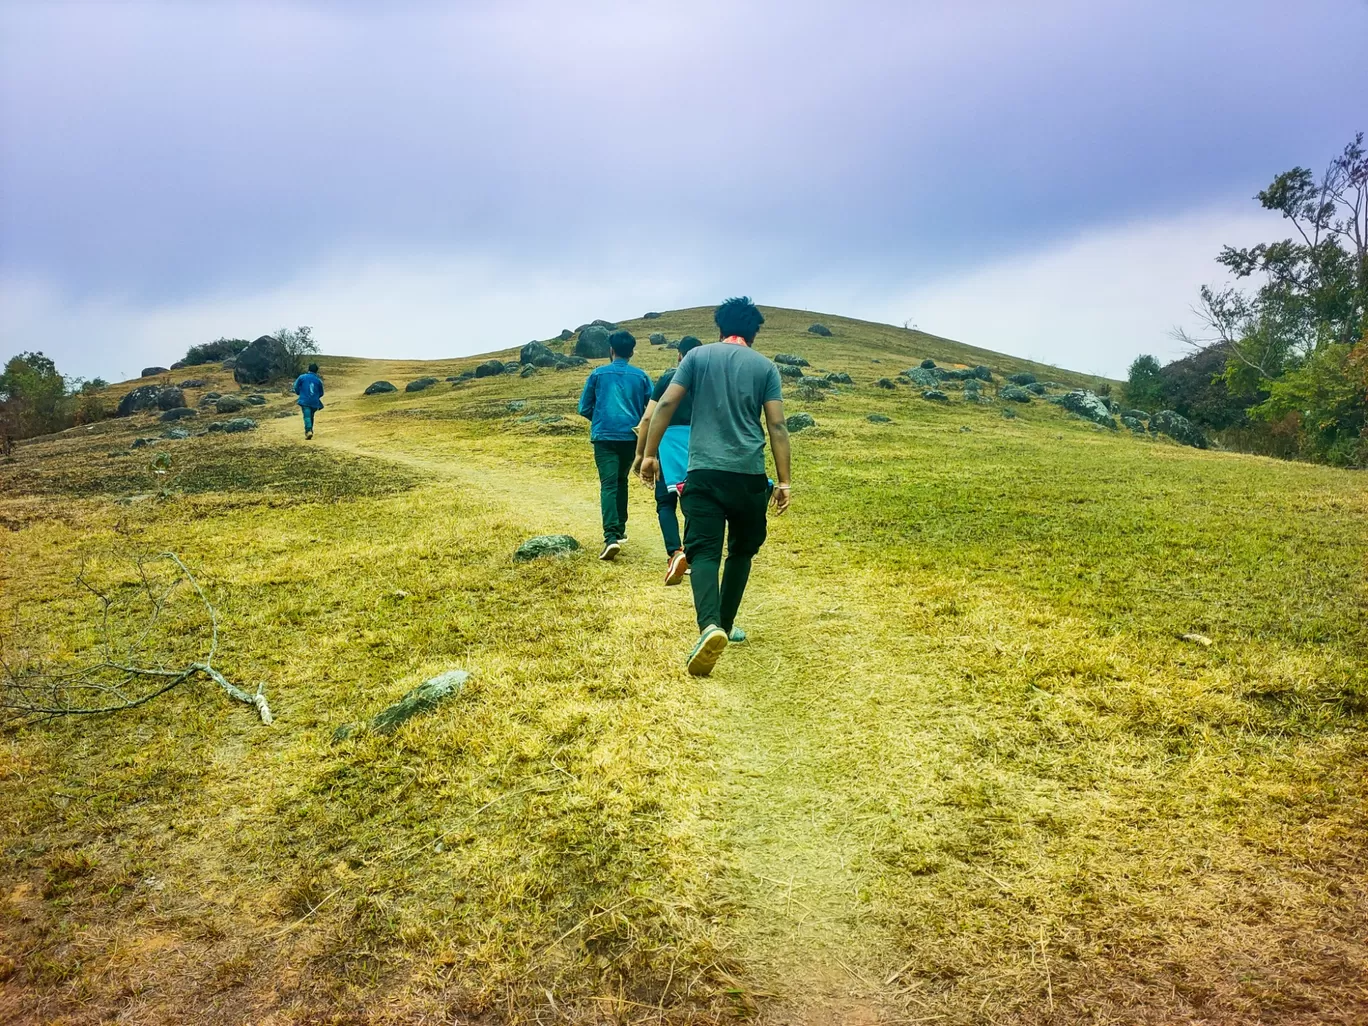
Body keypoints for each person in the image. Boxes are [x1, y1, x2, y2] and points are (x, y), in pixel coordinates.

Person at [640, 297, 790, 676]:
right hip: (749, 476)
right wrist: (784, 480)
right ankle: (723, 624)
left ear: (719, 327)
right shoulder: (765, 367)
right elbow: (776, 426)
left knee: (703, 551)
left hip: (704, 473)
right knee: (741, 552)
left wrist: (649, 453)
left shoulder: (696, 358)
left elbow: (666, 404)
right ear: (754, 333)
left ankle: (709, 625)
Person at [632, 335, 702, 584]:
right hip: (698, 444)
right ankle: (692, 554)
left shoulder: (668, 378)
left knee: (665, 502)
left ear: (679, 356)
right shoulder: (706, 380)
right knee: (693, 499)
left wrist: (642, 455)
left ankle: (675, 552)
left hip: (667, 444)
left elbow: (648, 419)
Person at [578, 330, 651, 560]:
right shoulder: (641, 377)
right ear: (632, 352)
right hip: (631, 437)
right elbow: (650, 410)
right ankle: (619, 529)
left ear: (611, 350)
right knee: (621, 480)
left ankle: (610, 536)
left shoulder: (598, 374)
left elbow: (584, 407)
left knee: (608, 484)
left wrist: (600, 419)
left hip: (604, 437)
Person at [293, 362, 324, 440]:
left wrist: (299, 393)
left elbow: (296, 386)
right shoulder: (318, 381)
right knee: (311, 416)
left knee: (307, 416)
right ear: (316, 371)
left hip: (305, 400)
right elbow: (321, 393)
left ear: (308, 369)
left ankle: (308, 430)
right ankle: (310, 431)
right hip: (314, 401)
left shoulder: (302, 377)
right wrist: (316, 397)